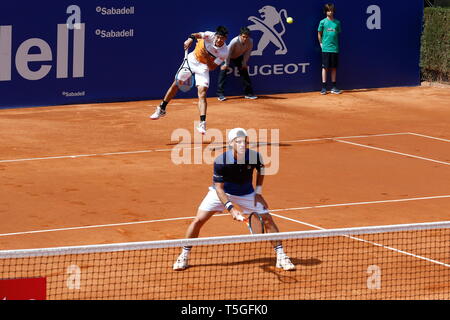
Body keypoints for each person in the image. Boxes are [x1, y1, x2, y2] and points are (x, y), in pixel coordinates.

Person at [172, 128, 295, 271]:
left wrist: (258, 192)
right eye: (239, 142)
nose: (243, 145)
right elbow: (219, 188)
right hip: (223, 192)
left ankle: (281, 256)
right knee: (198, 220)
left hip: (247, 193)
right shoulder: (221, 161)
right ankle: (184, 255)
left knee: (267, 219)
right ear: (231, 144)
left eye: (245, 142)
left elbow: (261, 170)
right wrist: (231, 209)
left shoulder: (255, 156)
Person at [150, 26, 229, 135]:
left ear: (226, 39)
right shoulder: (209, 35)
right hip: (191, 61)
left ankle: (202, 122)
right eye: (218, 37)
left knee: (202, 93)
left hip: (204, 67)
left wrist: (206, 58)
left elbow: (212, 68)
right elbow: (195, 34)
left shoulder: (224, 52)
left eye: (222, 38)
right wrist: (190, 39)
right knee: (176, 85)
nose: (219, 40)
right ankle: (162, 108)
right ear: (215, 35)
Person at [216, 27, 257, 101]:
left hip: (238, 57)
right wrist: (226, 64)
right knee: (223, 72)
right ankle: (220, 94)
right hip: (226, 56)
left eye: (246, 37)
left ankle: (248, 94)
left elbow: (247, 53)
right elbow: (228, 52)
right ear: (240, 35)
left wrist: (244, 63)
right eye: (243, 37)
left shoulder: (250, 41)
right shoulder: (234, 41)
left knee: (244, 72)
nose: (245, 38)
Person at [318, 3, 342, 95]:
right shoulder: (322, 22)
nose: (330, 12)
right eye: (328, 10)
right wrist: (321, 43)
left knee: (334, 68)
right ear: (325, 11)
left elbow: (337, 34)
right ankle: (324, 87)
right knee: (325, 67)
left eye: (331, 10)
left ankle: (334, 87)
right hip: (326, 49)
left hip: (335, 49)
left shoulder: (337, 22)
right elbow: (319, 33)